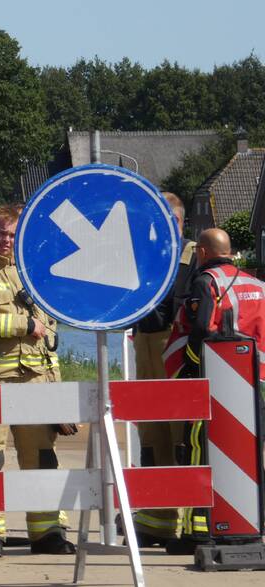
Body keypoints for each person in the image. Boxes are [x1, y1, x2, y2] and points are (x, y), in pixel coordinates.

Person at [0, 203, 75, 557]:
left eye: (13, 234)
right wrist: (24, 325)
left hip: (36, 379)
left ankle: (48, 531)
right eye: (1, 233)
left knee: (41, 457)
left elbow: (51, 328)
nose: (7, 240)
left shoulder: (34, 272)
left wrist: (55, 383)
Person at [165, 228, 265, 554]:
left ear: (203, 252)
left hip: (218, 382)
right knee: (251, 454)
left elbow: (200, 331)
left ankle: (200, 529)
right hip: (257, 381)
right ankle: (250, 523)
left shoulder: (206, 281)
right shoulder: (257, 285)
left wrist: (193, 371)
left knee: (199, 448)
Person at [128, 192, 196, 546]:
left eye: (170, 219)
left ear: (181, 221)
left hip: (175, 347)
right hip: (144, 344)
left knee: (179, 437)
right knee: (151, 437)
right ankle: (156, 519)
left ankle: (187, 520)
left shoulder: (193, 256)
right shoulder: (145, 255)